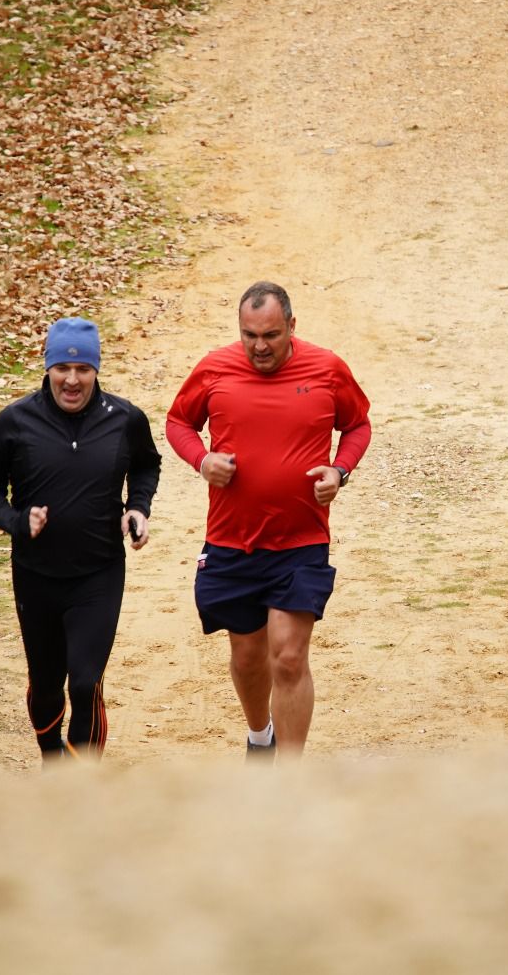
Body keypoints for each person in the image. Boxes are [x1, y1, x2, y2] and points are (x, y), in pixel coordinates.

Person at [166, 281, 372, 759]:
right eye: (250, 335)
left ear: (292, 327)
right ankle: (260, 737)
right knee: (247, 656)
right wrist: (201, 460)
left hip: (301, 539)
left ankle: (289, 779)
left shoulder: (327, 369)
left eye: (271, 335)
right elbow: (178, 423)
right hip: (231, 539)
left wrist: (339, 471)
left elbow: (357, 425)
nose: (259, 347)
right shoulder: (214, 368)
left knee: (289, 655)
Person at [0, 317, 161, 764]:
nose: (72, 380)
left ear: (96, 370)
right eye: (62, 368)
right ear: (48, 368)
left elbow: (146, 464)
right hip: (36, 575)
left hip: (99, 572)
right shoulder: (16, 421)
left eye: (83, 369)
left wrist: (138, 507)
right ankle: (51, 758)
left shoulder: (124, 419)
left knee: (85, 682)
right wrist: (18, 522)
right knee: (47, 684)